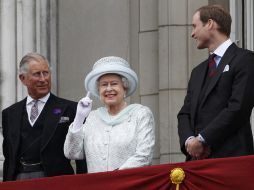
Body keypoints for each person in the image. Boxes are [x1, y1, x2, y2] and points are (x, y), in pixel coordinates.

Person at [177, 5, 254, 161]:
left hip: (232, 160)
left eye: (195, 26)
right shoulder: (197, 71)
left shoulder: (245, 59)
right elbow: (185, 113)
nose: (192, 34)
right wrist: (190, 142)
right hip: (197, 161)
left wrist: (203, 139)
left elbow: (238, 108)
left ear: (210, 24)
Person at [2, 52, 87, 181]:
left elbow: (81, 155)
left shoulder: (71, 109)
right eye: (37, 74)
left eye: (46, 73)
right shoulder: (10, 113)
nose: (43, 79)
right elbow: (9, 157)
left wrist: (83, 184)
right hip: (19, 180)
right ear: (22, 78)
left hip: (57, 181)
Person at [64, 56, 155, 173]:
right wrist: (79, 118)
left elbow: (144, 156)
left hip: (129, 184)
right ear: (98, 90)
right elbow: (72, 153)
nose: (108, 89)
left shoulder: (140, 114)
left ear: (125, 88)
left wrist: (113, 178)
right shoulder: (92, 118)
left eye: (114, 83)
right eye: (104, 84)